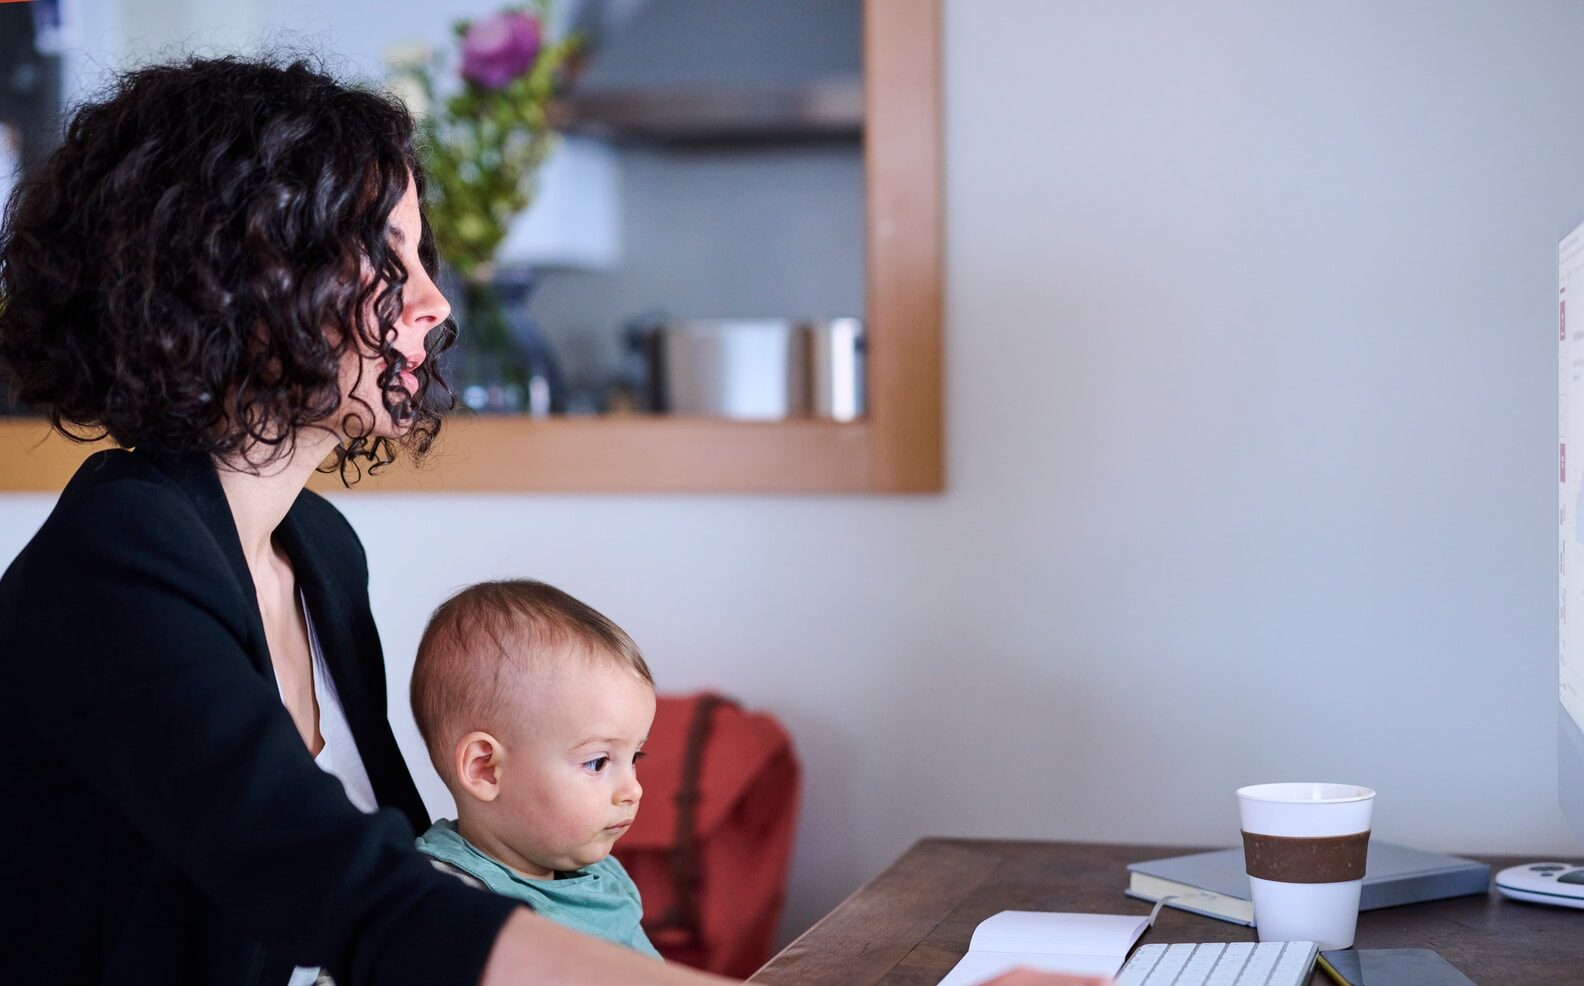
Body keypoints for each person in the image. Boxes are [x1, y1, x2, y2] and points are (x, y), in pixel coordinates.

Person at [0, 54, 1107, 986]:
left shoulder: (316, 550)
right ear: (231, 276)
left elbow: (418, 884)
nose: (432, 302)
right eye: (385, 257)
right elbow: (360, 902)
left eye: (421, 253)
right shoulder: (117, 565)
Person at [411, 580, 661, 960]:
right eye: (598, 762)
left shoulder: (605, 878)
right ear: (486, 770)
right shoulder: (441, 900)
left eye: (635, 758)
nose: (633, 790)